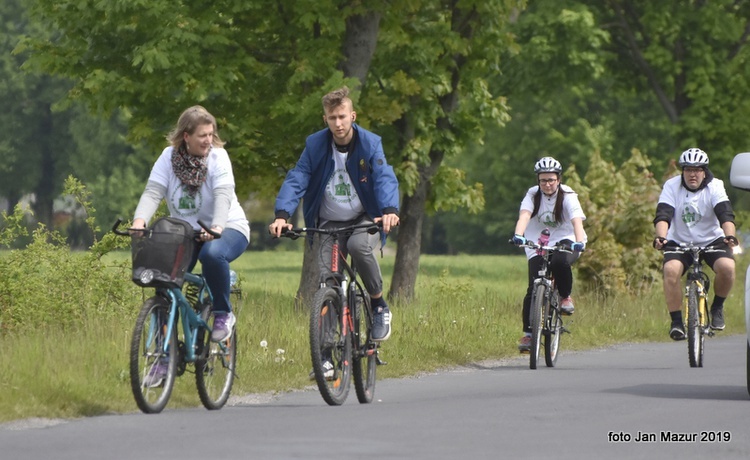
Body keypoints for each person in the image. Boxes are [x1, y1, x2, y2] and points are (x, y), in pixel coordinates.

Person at [269, 86, 400, 357]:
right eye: (332, 118)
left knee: (358, 246)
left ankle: (378, 305)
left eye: (342, 116)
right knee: (328, 282)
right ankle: (326, 354)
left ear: (353, 116)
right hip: (329, 221)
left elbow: (384, 176)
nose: (338, 123)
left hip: (365, 217)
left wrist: (389, 209)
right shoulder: (315, 145)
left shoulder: (370, 143)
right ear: (325, 119)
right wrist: (282, 215)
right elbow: (298, 178)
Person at [132, 105, 250, 386]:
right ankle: (162, 358)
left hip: (227, 227)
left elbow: (223, 195)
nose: (208, 140)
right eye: (202, 135)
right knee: (162, 277)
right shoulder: (167, 157)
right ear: (186, 136)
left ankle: (223, 314)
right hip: (185, 231)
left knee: (212, 255)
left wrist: (218, 226)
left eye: (211, 134)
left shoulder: (218, 158)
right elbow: (153, 192)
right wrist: (139, 221)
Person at [652, 148, 738, 340]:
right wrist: (661, 237)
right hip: (679, 241)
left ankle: (717, 308)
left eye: (697, 170)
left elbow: (725, 214)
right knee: (671, 271)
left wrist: (730, 236)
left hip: (712, 239)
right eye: (688, 169)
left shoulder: (715, 186)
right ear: (682, 171)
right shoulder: (672, 186)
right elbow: (663, 214)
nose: (693, 174)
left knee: (728, 267)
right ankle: (676, 322)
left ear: (704, 171)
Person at [511, 157, 587, 353]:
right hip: (538, 242)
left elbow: (577, 220)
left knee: (560, 262)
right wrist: (518, 235)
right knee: (533, 286)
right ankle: (528, 335)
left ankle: (565, 297)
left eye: (551, 180)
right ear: (538, 180)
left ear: (558, 179)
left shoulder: (568, 195)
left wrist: (579, 241)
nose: (547, 184)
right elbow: (525, 215)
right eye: (543, 180)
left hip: (567, 239)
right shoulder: (533, 195)